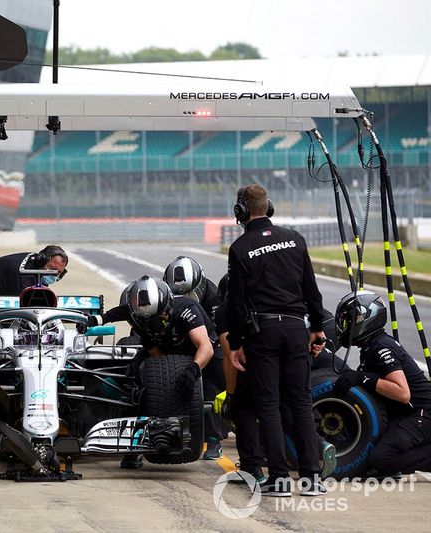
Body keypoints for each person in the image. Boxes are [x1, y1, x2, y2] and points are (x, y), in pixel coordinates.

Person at [226, 184, 327, 497]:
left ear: (240, 211)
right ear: (268, 207)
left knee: (268, 405)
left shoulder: (241, 248)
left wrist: (236, 343)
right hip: (297, 328)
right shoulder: (295, 239)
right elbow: (311, 288)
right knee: (300, 402)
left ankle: (280, 479)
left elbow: (237, 303)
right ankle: (311, 478)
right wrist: (318, 328)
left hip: (263, 333)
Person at [87, 275, 214, 469]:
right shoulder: (135, 311)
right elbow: (110, 316)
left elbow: (206, 347)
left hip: (198, 351)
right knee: (140, 385)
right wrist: (92, 320)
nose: (154, 321)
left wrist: (193, 369)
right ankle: (134, 446)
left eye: (158, 318)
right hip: (161, 349)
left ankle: (214, 439)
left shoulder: (186, 309)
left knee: (212, 386)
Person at [333, 291, 431, 476]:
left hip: (423, 413)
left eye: (350, 321)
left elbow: (402, 393)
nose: (346, 327)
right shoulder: (371, 345)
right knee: (367, 452)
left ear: (368, 318)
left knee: (381, 459)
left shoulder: (381, 347)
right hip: (406, 413)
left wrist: (362, 378)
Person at [164, 256, 226, 460]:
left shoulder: (213, 295)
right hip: (177, 338)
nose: (185, 298)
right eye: (178, 294)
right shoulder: (163, 294)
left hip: (210, 340)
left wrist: (198, 362)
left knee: (210, 378)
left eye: (189, 293)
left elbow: (220, 332)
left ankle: (214, 438)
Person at [0, 245, 68, 309]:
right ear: (42, 260)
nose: (53, 275)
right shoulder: (23, 274)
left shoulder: (36, 264)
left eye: (58, 273)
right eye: (51, 268)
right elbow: (26, 308)